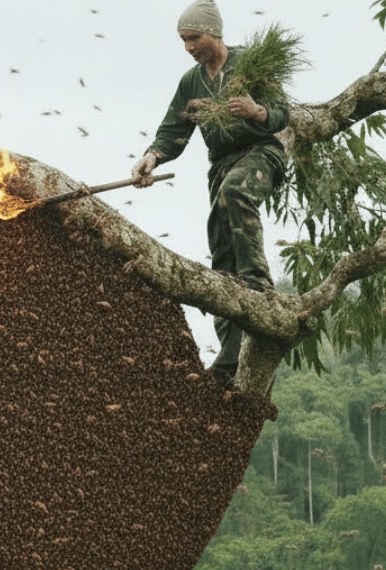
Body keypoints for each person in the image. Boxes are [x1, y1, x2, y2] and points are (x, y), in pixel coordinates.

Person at [131, 0, 288, 387]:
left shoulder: (251, 64)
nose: (188, 47)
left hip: (260, 152)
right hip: (219, 163)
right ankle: (230, 355)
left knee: (234, 195)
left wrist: (256, 112)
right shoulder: (191, 82)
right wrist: (152, 156)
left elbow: (282, 113)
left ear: (214, 33)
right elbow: (174, 131)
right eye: (183, 40)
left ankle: (257, 284)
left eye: (193, 38)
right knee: (220, 250)